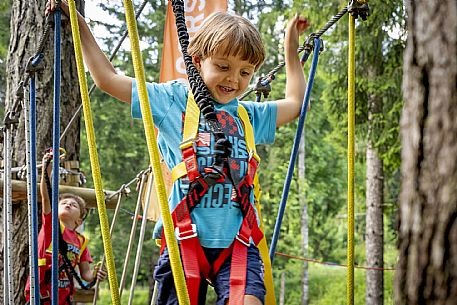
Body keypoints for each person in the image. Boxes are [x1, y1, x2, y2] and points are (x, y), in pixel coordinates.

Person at [47, 2, 309, 304]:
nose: (233, 80)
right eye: (223, 67)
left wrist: (291, 46)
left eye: (245, 72)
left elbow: (295, 105)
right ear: (197, 61)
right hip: (185, 241)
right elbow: (107, 79)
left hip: (239, 242)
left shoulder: (247, 116)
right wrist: (79, 23)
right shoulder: (173, 101)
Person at [24, 151, 107, 305]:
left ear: (79, 221)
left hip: (64, 298)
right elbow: (46, 197)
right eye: (64, 203)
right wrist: (47, 168)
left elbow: (86, 274)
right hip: (42, 294)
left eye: (73, 205)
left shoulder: (81, 242)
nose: (68, 204)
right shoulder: (51, 226)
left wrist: (96, 275)